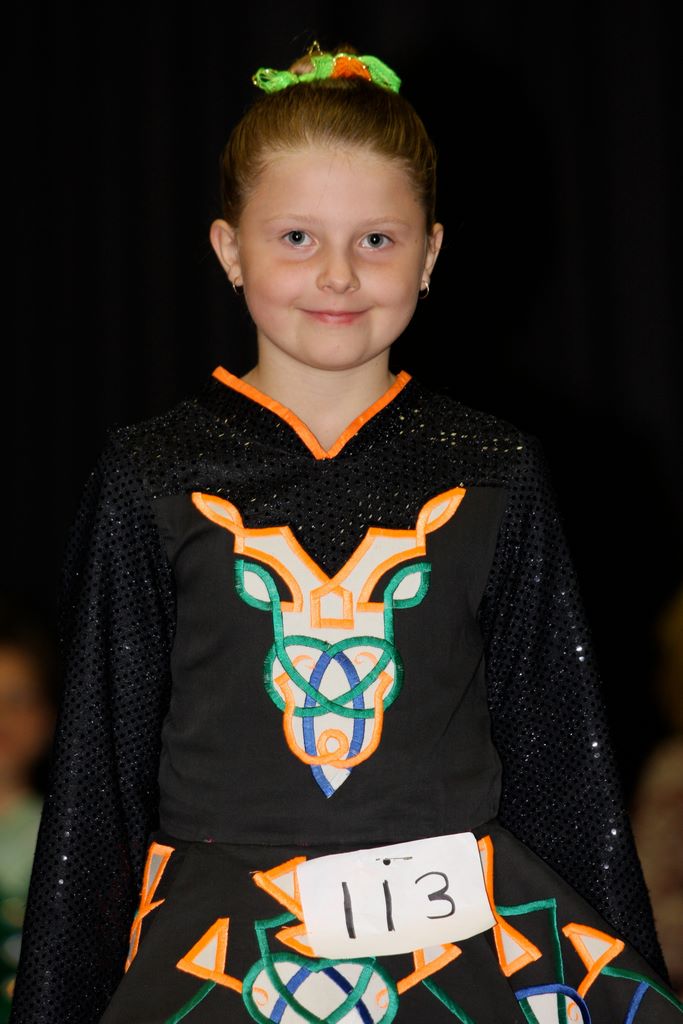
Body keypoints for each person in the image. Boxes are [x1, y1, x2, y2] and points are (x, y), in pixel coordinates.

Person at [10, 42, 683, 1024]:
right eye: (295, 237)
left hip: (455, 940)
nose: (336, 274)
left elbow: (557, 759)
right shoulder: (153, 473)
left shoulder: (491, 468)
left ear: (430, 253)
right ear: (229, 249)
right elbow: (98, 773)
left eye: (376, 239)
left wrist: (611, 970)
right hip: (221, 944)